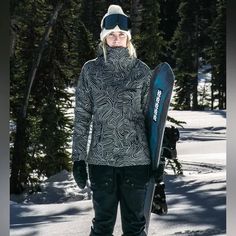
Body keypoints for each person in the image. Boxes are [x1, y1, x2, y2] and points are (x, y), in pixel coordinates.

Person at [72, 4, 157, 236]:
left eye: (121, 34)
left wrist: (158, 155)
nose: (117, 38)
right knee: (102, 226)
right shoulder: (90, 70)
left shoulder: (141, 71)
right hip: (101, 162)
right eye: (112, 34)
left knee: (135, 227)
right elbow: (81, 117)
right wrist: (78, 158)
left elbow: (152, 118)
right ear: (104, 38)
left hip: (136, 161)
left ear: (128, 38)